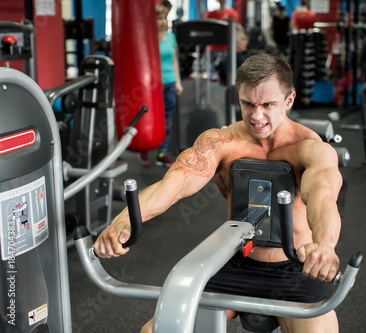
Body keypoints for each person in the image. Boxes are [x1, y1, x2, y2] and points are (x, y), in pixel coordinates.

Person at [94, 54, 343, 333]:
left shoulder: (311, 149)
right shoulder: (221, 142)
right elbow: (172, 186)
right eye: (248, 104)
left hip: (293, 270)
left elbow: (323, 197)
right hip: (235, 263)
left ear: (289, 100)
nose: (256, 116)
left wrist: (324, 246)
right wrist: (123, 221)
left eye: (267, 105)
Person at [139, 3, 183, 167]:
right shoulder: (147, 39)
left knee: (167, 119)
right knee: (148, 117)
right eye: (159, 18)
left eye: (164, 18)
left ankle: (161, 152)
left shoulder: (170, 37)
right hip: (151, 86)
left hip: (170, 82)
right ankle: (144, 149)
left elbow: (174, 61)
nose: (163, 21)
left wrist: (178, 82)